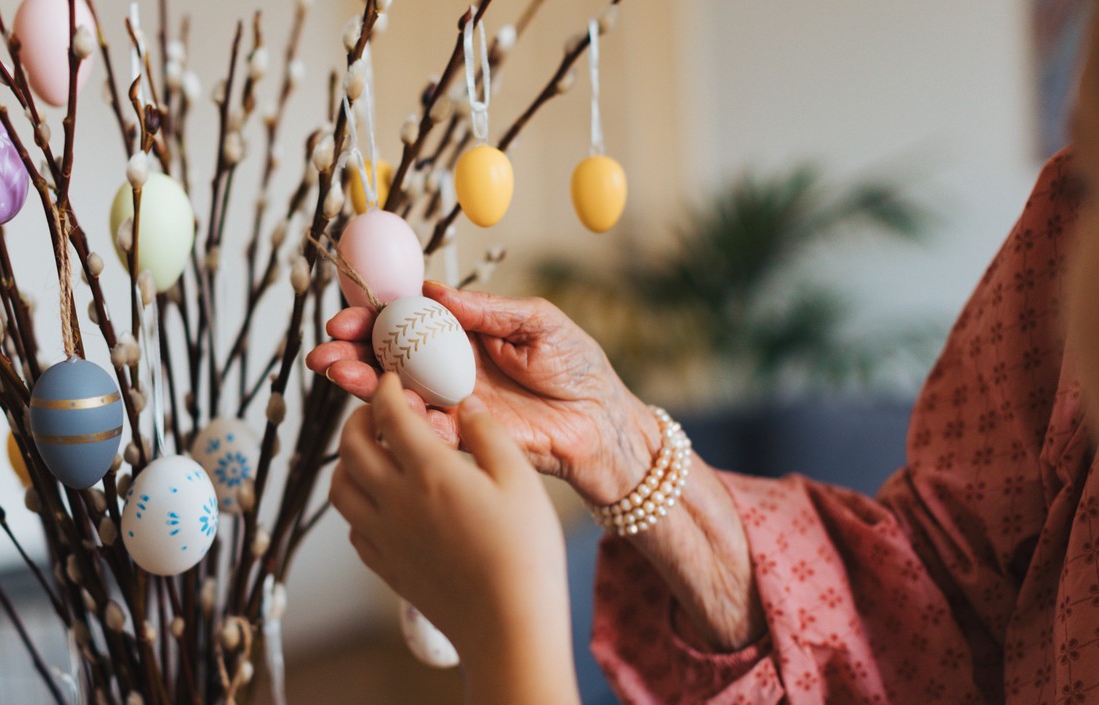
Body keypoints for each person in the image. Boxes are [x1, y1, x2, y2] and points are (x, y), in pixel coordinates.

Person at [306, 16, 1099, 705]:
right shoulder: (1058, 257)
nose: (1072, 249)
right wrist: (618, 440)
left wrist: (510, 620)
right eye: (1085, 180)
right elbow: (942, 600)